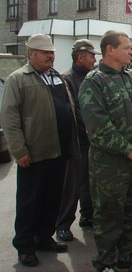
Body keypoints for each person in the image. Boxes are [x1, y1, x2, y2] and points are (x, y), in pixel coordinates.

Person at [79, 30, 132, 272]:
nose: (130, 51)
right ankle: (105, 263)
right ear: (110, 50)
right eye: (126, 47)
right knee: (109, 216)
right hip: (110, 164)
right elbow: (97, 127)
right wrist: (128, 149)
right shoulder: (94, 82)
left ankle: (128, 258)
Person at [1, 34, 80, 267]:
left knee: (52, 199)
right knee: (29, 201)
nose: (50, 56)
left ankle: (44, 237)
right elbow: (10, 117)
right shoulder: (18, 79)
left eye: (51, 52)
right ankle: (25, 246)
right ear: (31, 54)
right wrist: (19, 150)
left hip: (59, 151)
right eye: (44, 52)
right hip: (34, 154)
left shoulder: (57, 77)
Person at [56, 39, 100, 243]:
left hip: (94, 139)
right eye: (91, 56)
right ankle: (63, 224)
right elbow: (74, 112)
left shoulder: (93, 77)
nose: (94, 59)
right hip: (77, 140)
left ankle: (87, 216)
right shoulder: (66, 79)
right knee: (72, 185)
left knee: (91, 183)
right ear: (80, 57)